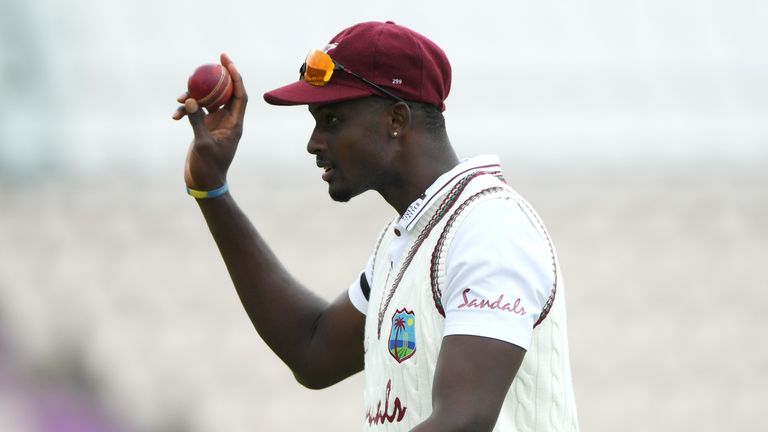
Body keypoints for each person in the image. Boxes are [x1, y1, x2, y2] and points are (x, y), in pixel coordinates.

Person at [172, 21, 579, 432]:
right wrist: (212, 190)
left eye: (331, 119)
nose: (313, 142)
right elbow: (313, 350)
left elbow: (465, 420)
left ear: (396, 119)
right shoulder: (409, 236)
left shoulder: (489, 226)